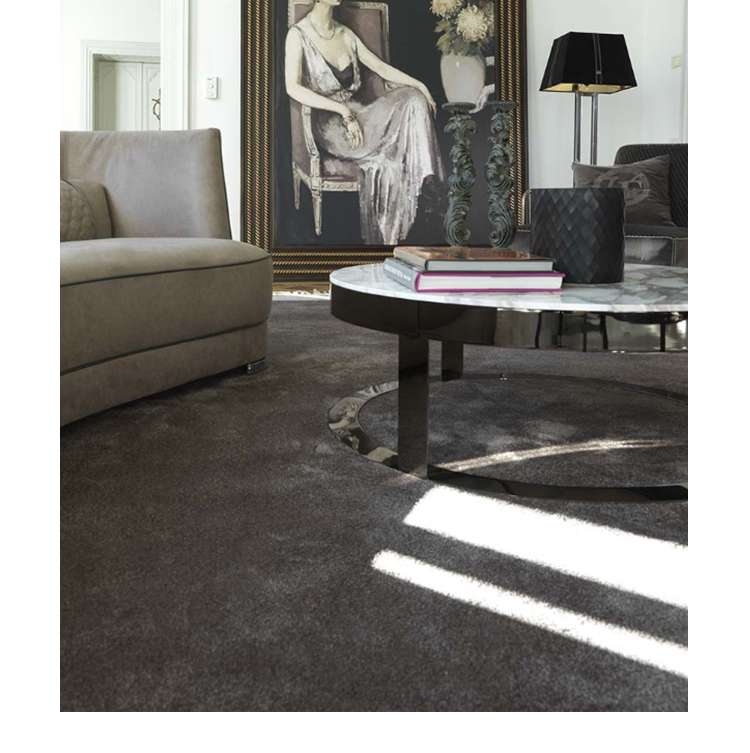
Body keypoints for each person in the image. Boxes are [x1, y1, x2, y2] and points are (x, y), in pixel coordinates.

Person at [285, 0, 445, 245]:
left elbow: (380, 67)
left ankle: (428, 184)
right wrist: (342, 111)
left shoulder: (345, 34)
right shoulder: (298, 35)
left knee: (413, 98)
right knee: (389, 150)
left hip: (360, 115)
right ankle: (416, 187)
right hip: (330, 126)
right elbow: (292, 87)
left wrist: (420, 86)